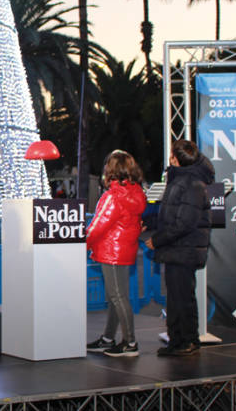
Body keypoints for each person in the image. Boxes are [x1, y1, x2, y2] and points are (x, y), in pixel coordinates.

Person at [146, 139, 214, 357]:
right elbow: (173, 216)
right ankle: (179, 340)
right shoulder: (182, 180)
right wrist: (153, 226)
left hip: (184, 249)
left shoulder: (192, 184)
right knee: (177, 298)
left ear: (176, 158)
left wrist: (158, 240)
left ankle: (186, 341)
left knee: (182, 298)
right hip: (178, 249)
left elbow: (184, 223)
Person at [85, 150, 147, 357]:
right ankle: (108, 338)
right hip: (126, 248)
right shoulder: (136, 193)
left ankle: (130, 342)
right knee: (117, 296)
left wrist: (81, 244)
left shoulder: (112, 196)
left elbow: (98, 226)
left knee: (117, 296)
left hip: (111, 250)